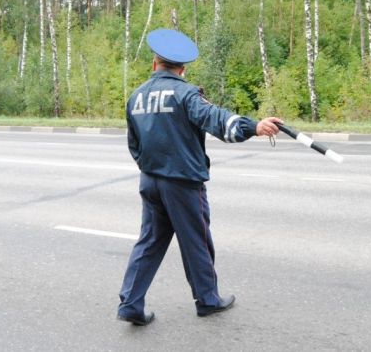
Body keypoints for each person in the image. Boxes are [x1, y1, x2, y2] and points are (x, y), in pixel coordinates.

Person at [117, 28, 282, 326]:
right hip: (182, 184)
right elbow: (216, 119)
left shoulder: (136, 97)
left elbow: (134, 145)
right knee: (197, 242)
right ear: (182, 69)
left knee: (149, 242)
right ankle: (208, 299)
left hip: (150, 181)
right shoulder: (185, 93)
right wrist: (253, 126)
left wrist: (151, 169)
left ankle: (130, 302)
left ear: (155, 64)